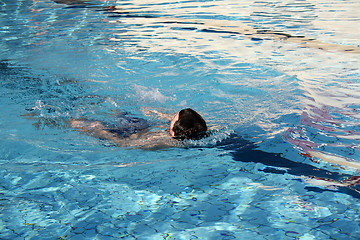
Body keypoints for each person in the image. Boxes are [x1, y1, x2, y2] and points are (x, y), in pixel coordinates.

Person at [70, 108, 208, 149]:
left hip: (125, 136)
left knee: (76, 123)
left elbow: (125, 144)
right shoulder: (197, 131)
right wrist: (157, 113)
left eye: (172, 118)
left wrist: (102, 132)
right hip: (142, 127)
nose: (170, 118)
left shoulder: (157, 140)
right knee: (121, 112)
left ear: (174, 128)